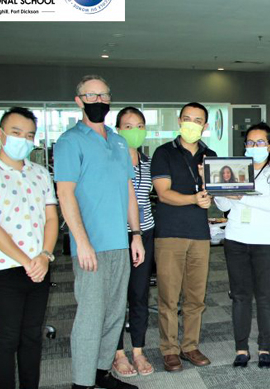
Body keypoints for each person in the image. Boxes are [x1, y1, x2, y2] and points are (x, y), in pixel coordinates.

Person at [55, 75, 144, 389]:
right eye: (91, 96)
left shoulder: (119, 141)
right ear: (79, 101)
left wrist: (136, 235)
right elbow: (65, 194)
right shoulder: (69, 141)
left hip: (120, 243)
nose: (98, 101)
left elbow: (129, 190)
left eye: (103, 96)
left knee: (114, 314)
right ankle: (82, 383)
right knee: (90, 318)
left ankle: (100, 373)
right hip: (90, 245)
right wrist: (81, 242)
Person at [0, 107, 58, 389]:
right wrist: (28, 261)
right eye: (16, 133)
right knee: (8, 338)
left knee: (32, 336)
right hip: (6, 270)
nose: (23, 139)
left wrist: (44, 256)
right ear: (1, 134)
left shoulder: (40, 173)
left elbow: (52, 218)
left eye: (29, 135)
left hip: (40, 267)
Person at [213, 123, 270, 369]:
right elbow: (223, 206)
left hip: (267, 242)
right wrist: (218, 187)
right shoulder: (237, 169)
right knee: (240, 297)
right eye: (250, 143)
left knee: (266, 297)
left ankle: (264, 347)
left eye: (260, 143)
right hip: (236, 239)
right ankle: (241, 348)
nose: (254, 147)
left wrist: (242, 196)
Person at [150, 102, 217, 372]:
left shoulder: (210, 155)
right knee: (168, 296)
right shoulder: (164, 152)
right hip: (169, 233)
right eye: (187, 118)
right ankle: (169, 349)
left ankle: (190, 345)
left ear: (205, 126)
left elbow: (218, 193)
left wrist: (207, 182)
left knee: (196, 296)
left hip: (200, 234)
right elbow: (163, 193)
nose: (192, 123)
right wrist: (194, 198)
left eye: (198, 120)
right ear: (179, 121)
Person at [112, 107, 156, 377]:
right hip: (116, 235)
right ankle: (118, 354)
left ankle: (138, 350)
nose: (134, 130)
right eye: (128, 126)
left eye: (139, 125)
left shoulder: (150, 163)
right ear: (118, 130)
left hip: (146, 233)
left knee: (139, 294)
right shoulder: (110, 160)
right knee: (117, 297)